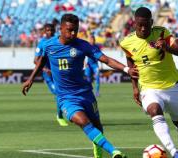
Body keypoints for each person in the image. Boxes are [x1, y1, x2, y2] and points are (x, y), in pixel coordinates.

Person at [22, 13, 138, 158]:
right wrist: (31, 78)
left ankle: (98, 149)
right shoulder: (49, 45)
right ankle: (114, 152)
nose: (73, 33)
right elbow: (41, 61)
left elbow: (106, 60)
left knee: (98, 126)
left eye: (75, 30)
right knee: (83, 122)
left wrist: (126, 69)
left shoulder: (83, 45)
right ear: (61, 29)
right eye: (69, 30)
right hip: (66, 97)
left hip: (85, 93)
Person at [119, 7, 178, 158]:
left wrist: (167, 48)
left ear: (151, 22)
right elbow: (132, 66)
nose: (143, 28)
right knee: (154, 110)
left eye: (146, 24)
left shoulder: (162, 33)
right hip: (149, 88)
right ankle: (174, 152)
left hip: (172, 86)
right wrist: (135, 88)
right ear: (134, 24)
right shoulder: (126, 42)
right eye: (140, 25)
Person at [34, 23, 68, 127]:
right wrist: (45, 69)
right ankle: (60, 116)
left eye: (52, 30)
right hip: (48, 75)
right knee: (59, 93)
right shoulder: (42, 43)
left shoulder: (57, 41)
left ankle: (68, 112)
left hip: (58, 74)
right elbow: (35, 60)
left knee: (65, 93)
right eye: (48, 30)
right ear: (44, 31)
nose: (50, 32)